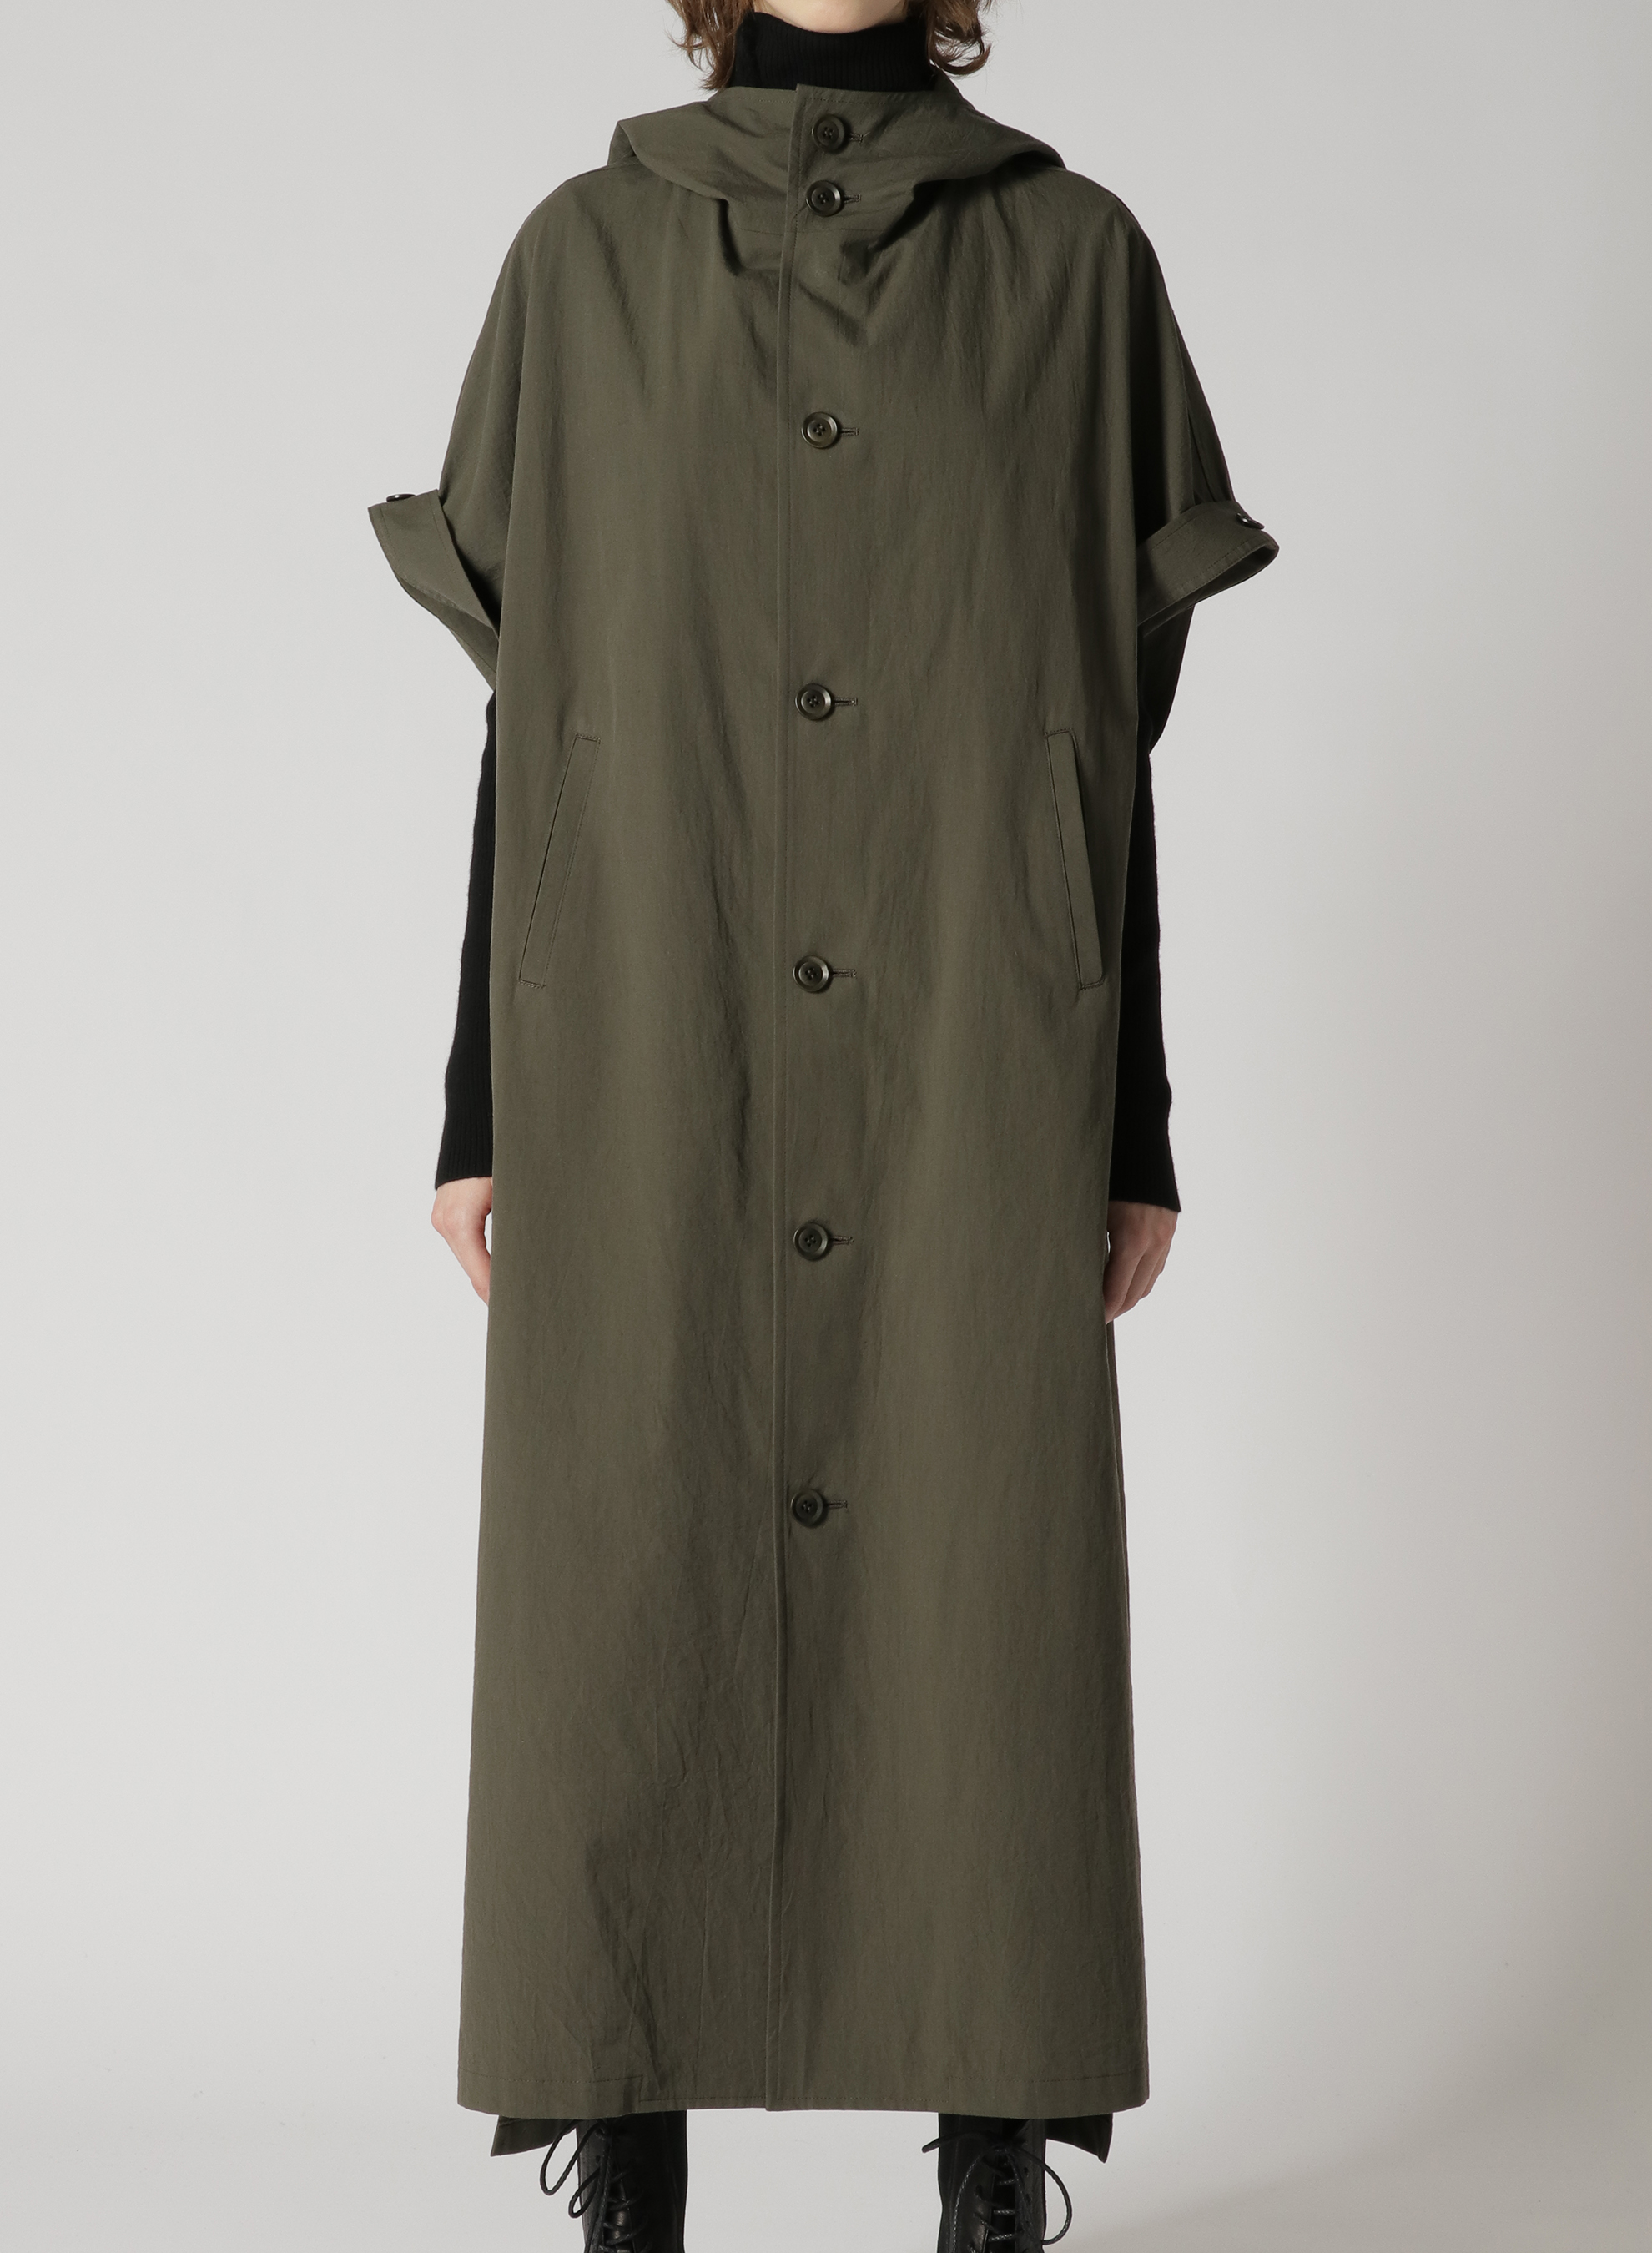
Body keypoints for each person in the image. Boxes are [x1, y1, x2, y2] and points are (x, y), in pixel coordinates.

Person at [370, 2, 1276, 2246]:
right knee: (624, 1575)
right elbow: (533, 724)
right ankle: (623, 2151)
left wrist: (1132, 1115)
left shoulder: (1077, 265)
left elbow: (1097, 740)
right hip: (638, 1041)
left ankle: (995, 2156)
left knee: (984, 1581)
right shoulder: (581, 261)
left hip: (980, 1045)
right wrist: (483, 1099)